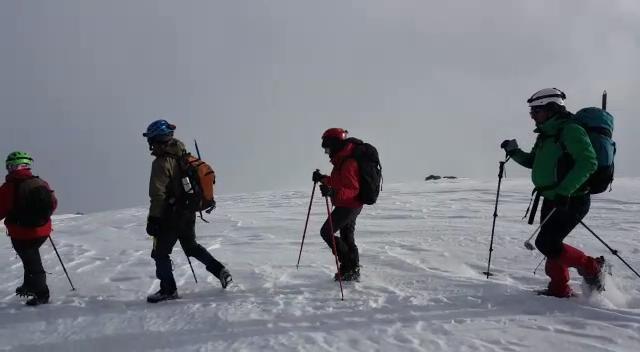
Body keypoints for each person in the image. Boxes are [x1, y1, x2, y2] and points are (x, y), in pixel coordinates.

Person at [501, 88, 605, 297]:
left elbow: (588, 162)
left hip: (571, 198)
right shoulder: (546, 134)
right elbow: (534, 162)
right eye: (531, 112)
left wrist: (565, 190)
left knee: (547, 243)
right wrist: (514, 152)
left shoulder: (571, 130)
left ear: (552, 108)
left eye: (535, 111)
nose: (532, 117)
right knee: (551, 245)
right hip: (551, 198)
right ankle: (559, 289)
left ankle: (592, 267)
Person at [143, 119, 232, 303]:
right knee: (191, 247)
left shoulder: (161, 163)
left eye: (151, 140)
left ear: (157, 140)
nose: (150, 144)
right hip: (188, 211)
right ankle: (220, 270)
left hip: (170, 214)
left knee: (160, 253)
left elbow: (158, 195)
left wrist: (153, 220)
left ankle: (168, 290)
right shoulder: (182, 154)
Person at [0, 151, 57, 306]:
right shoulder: (40, 182)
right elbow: (53, 203)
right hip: (43, 231)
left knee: (32, 263)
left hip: (22, 234)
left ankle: (41, 295)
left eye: (9, 166)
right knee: (31, 258)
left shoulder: (8, 187)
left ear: (13, 167)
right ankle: (30, 285)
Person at [313, 128, 363, 281]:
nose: (326, 152)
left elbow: (353, 189)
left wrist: (333, 193)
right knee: (347, 237)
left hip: (349, 205)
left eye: (327, 148)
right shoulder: (343, 159)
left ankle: (349, 266)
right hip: (351, 204)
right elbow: (339, 182)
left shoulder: (348, 162)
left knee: (326, 232)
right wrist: (323, 179)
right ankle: (351, 269)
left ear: (334, 144)